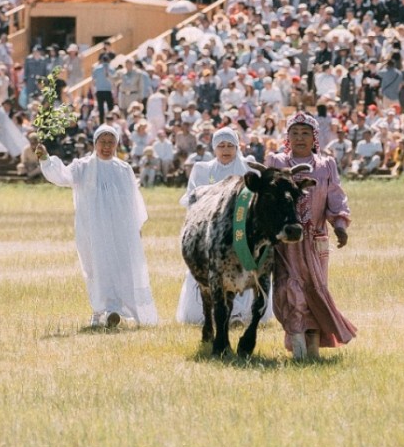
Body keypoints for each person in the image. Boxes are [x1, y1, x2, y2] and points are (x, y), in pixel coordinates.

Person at [35, 125, 158, 328]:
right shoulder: (83, 166)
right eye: (103, 142)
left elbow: (133, 200)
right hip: (92, 229)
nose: (107, 147)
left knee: (122, 267)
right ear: (95, 144)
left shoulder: (123, 169)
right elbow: (63, 176)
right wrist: (46, 160)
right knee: (95, 268)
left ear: (116, 144)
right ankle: (100, 310)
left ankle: (116, 309)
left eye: (111, 142)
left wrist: (136, 227)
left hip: (119, 229)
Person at [265, 111, 356, 360]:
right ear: (288, 137)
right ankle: (298, 349)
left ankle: (313, 350)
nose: (300, 138)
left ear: (314, 137)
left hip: (315, 240)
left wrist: (340, 224)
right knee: (290, 290)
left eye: (305, 133)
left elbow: (335, 196)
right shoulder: (276, 162)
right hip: (285, 242)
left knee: (314, 291)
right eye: (294, 133)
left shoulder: (326, 165)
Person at [176, 127, 270, 326]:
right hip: (212, 231)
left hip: (241, 230)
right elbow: (193, 197)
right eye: (221, 146)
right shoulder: (202, 169)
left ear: (237, 147)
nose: (225, 150)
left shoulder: (249, 168)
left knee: (243, 268)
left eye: (230, 146)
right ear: (214, 148)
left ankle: (238, 313)